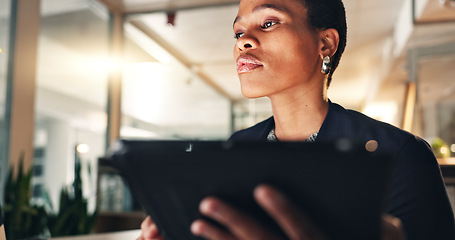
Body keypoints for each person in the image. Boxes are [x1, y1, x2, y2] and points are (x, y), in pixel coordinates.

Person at [138, 0, 455, 239]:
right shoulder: (236, 149)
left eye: (269, 23)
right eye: (238, 31)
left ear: (325, 43)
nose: (242, 41)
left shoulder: (397, 153)